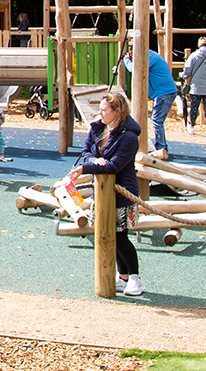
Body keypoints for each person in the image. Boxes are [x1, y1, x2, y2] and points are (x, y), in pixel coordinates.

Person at [69, 92, 144, 296]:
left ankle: (135, 277)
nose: (99, 113)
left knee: (120, 236)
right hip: (101, 192)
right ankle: (123, 276)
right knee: (106, 234)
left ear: (117, 112)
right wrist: (93, 162)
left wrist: (86, 169)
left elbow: (115, 166)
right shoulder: (98, 129)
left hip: (121, 193)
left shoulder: (128, 137)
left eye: (104, 110)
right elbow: (85, 153)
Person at [124, 50, 178, 158]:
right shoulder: (151, 55)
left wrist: (126, 61)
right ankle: (161, 145)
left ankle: (161, 147)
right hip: (164, 92)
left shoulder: (148, 57)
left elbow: (135, 69)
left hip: (164, 92)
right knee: (157, 119)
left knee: (156, 120)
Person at [182, 37, 206, 138]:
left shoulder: (194, 55)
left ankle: (192, 126)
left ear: (199, 45)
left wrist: (184, 76)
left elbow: (188, 69)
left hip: (196, 85)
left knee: (194, 106)